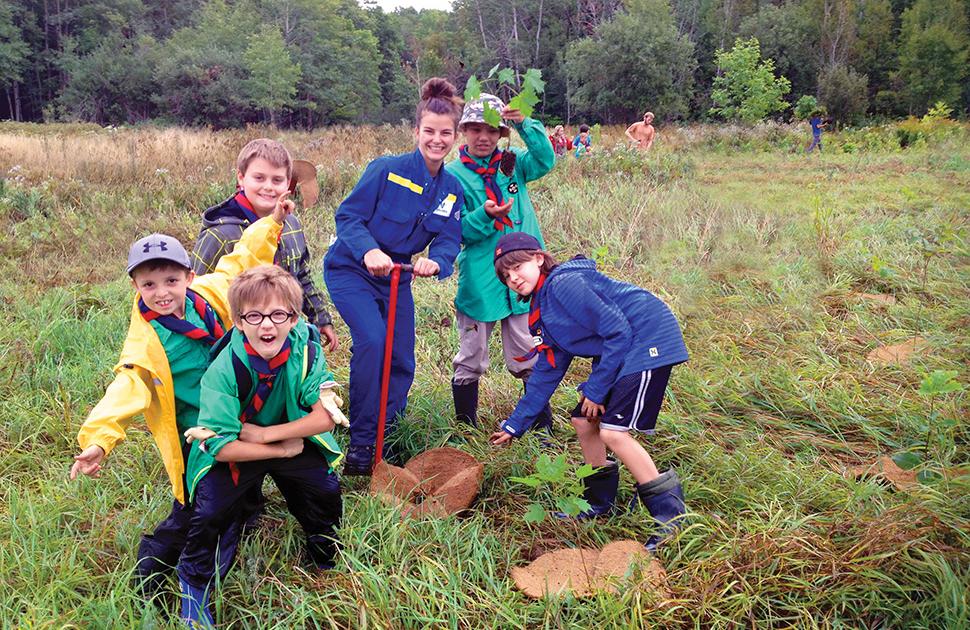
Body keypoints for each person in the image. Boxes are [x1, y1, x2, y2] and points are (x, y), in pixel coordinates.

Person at [69, 202, 290, 601]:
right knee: (195, 505)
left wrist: (271, 223)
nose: (161, 292)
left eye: (171, 280)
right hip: (194, 432)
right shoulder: (146, 340)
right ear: (135, 287)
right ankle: (150, 575)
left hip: (235, 412)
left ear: (189, 276)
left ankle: (243, 521)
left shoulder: (209, 297)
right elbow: (126, 387)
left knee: (247, 478)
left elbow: (239, 260)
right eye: (148, 285)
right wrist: (99, 440)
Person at [489, 232, 689, 552]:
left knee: (613, 432)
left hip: (646, 339)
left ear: (539, 259)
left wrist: (596, 390)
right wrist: (515, 424)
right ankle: (599, 504)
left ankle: (671, 520)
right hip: (622, 348)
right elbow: (548, 370)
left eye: (518, 267)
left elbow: (618, 331)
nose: (513, 278)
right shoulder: (544, 310)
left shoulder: (563, 286)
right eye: (505, 275)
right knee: (584, 421)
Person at [178, 265, 343, 626]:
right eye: (254, 316)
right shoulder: (223, 369)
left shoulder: (306, 351)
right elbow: (220, 448)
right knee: (210, 512)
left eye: (278, 315)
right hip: (241, 448)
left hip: (285, 436)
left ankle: (326, 554)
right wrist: (278, 450)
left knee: (324, 489)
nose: (266, 326)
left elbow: (324, 418)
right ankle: (195, 584)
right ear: (238, 321)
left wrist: (267, 434)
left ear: (294, 318)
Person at [323, 78, 464, 476]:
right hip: (352, 268)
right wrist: (369, 249)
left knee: (401, 358)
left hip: (398, 275)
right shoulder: (386, 170)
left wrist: (437, 262)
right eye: (430, 132)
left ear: (454, 137)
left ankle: (388, 435)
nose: (437, 140)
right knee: (373, 341)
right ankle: (362, 444)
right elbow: (348, 216)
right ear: (416, 131)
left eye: (445, 133)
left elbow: (449, 238)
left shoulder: (452, 189)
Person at [445, 92, 556, 434]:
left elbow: (546, 160)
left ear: (501, 134)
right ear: (463, 131)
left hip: (524, 277)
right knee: (471, 356)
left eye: (492, 130)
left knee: (526, 353)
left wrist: (525, 123)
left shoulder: (514, 163)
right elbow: (454, 230)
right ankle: (466, 430)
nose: (483, 137)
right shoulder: (452, 176)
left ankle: (541, 427)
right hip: (481, 280)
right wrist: (484, 216)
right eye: (476, 128)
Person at [191, 138, 339, 352]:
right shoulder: (221, 234)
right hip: (233, 345)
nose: (268, 187)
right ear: (241, 178)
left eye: (277, 180)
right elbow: (195, 292)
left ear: (288, 183)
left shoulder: (292, 226)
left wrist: (321, 318)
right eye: (259, 178)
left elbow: (301, 276)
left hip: (283, 336)